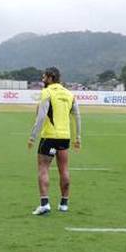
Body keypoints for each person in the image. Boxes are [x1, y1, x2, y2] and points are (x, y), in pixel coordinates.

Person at [27, 67, 82, 215]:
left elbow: (41, 116)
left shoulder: (47, 92)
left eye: (44, 77)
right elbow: (77, 116)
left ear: (51, 77)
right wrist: (78, 137)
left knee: (43, 168)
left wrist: (32, 136)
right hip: (65, 137)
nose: (42, 79)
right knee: (64, 169)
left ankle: (44, 203)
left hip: (49, 136)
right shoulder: (70, 94)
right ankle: (64, 204)